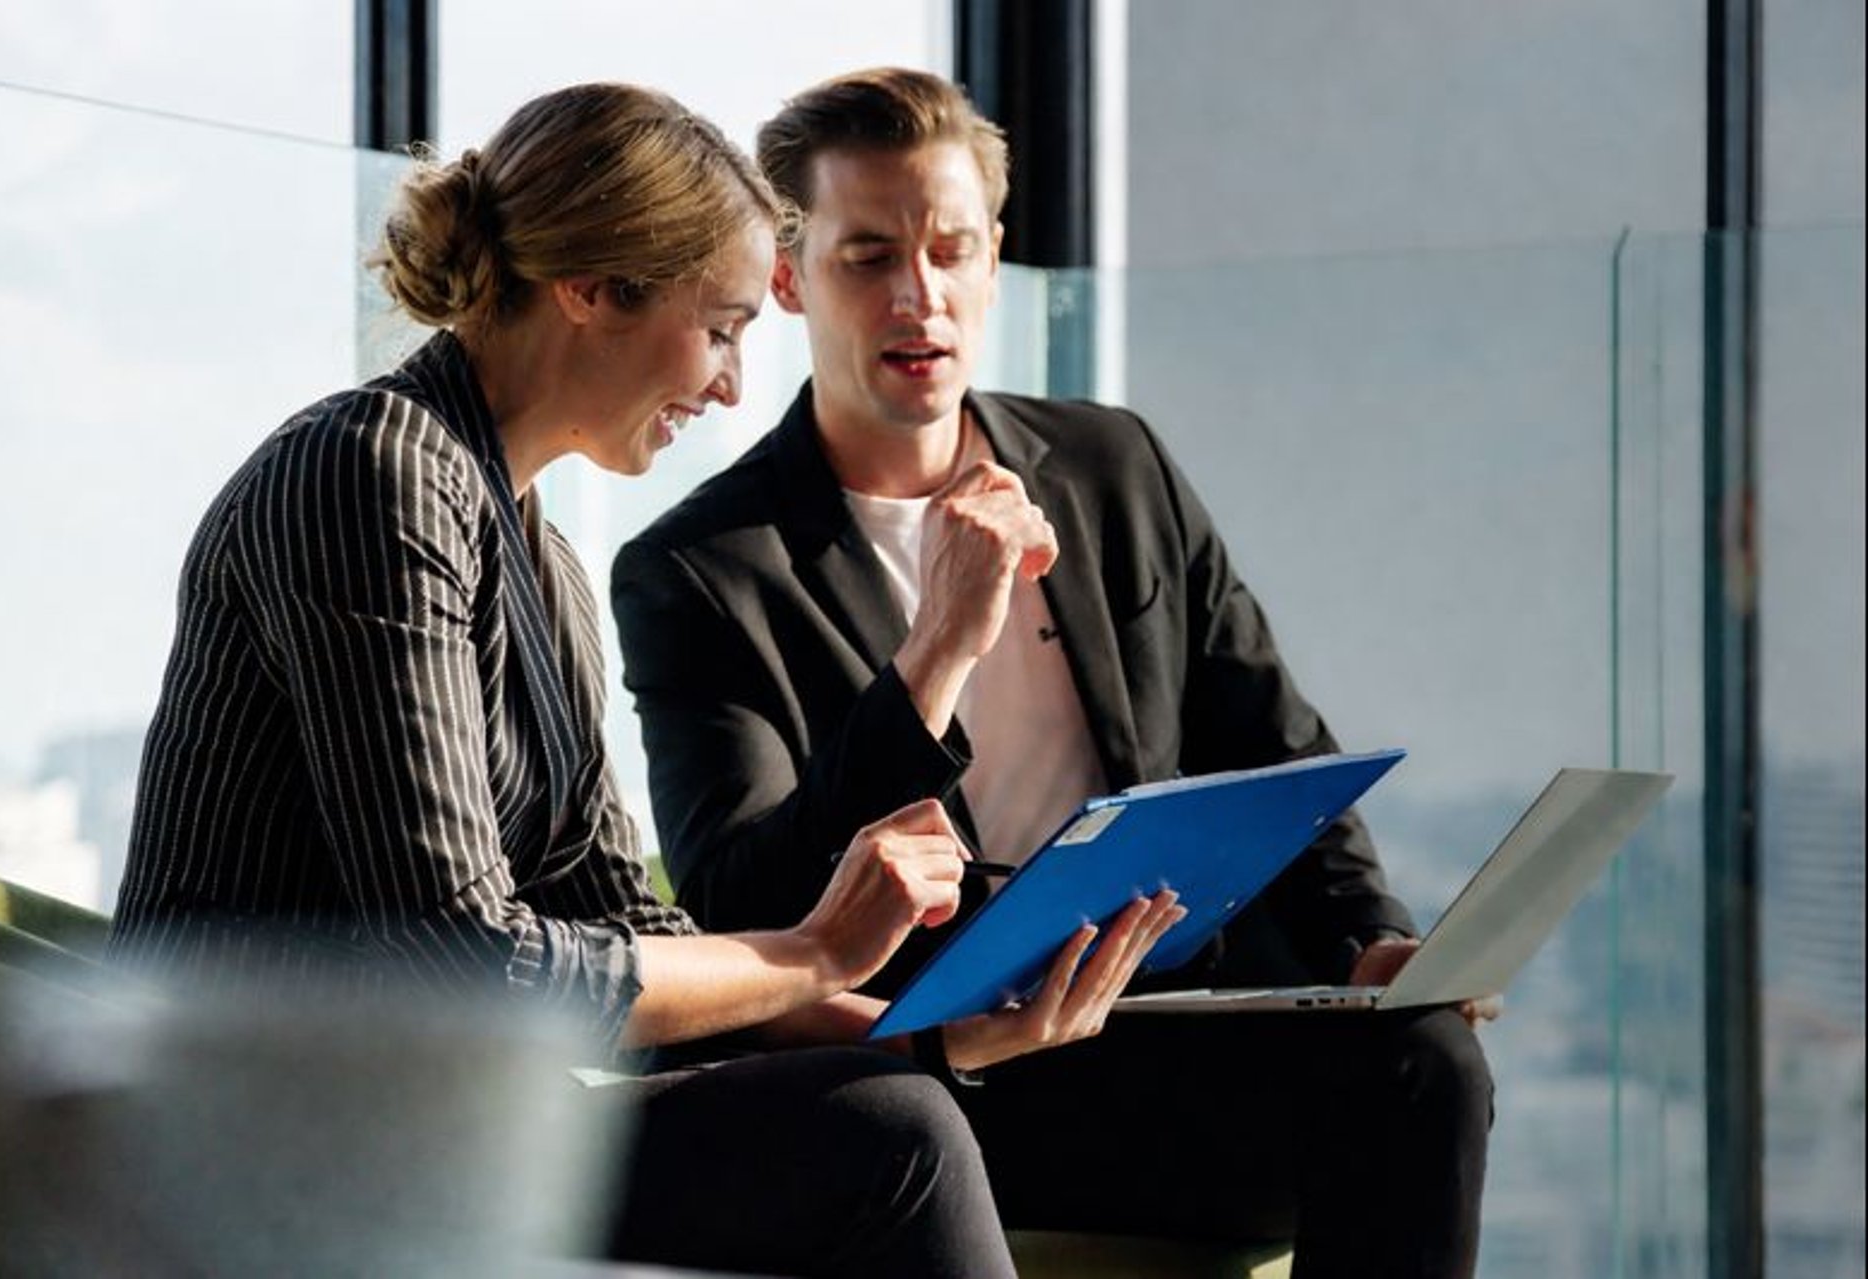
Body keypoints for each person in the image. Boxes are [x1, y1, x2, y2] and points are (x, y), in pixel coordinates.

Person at [106, 82, 1188, 1279]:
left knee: (902, 1114)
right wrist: (820, 951)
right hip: (266, 1134)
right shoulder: (372, 473)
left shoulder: (538, 555)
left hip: (436, 1116)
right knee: (891, 1140)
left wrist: (933, 1035)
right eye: (721, 327)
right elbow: (466, 960)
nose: (730, 384)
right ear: (594, 290)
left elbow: (622, 918)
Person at [611, 67, 1496, 1278]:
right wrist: (939, 647)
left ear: (993, 257)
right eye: (868, 257)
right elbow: (739, 900)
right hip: (951, 1072)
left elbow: (1273, 744)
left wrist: (1372, 948)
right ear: (786, 273)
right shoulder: (705, 568)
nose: (917, 296)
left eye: (951, 250)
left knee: (1426, 1058)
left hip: (1167, 1019)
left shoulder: (1113, 464)